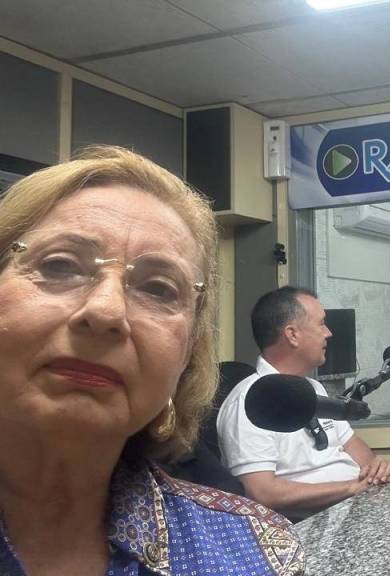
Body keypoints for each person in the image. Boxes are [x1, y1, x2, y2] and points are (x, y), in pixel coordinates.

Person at [0, 146, 303, 575]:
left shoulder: (257, 554)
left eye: (158, 289)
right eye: (60, 265)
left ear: (188, 354)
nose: (107, 311)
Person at [217, 287, 390, 520]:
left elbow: (354, 446)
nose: (328, 333)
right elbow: (261, 492)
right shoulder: (250, 403)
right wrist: (350, 488)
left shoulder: (314, 388)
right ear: (292, 335)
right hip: (307, 526)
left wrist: (378, 469)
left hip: (353, 510)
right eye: (321, 324)